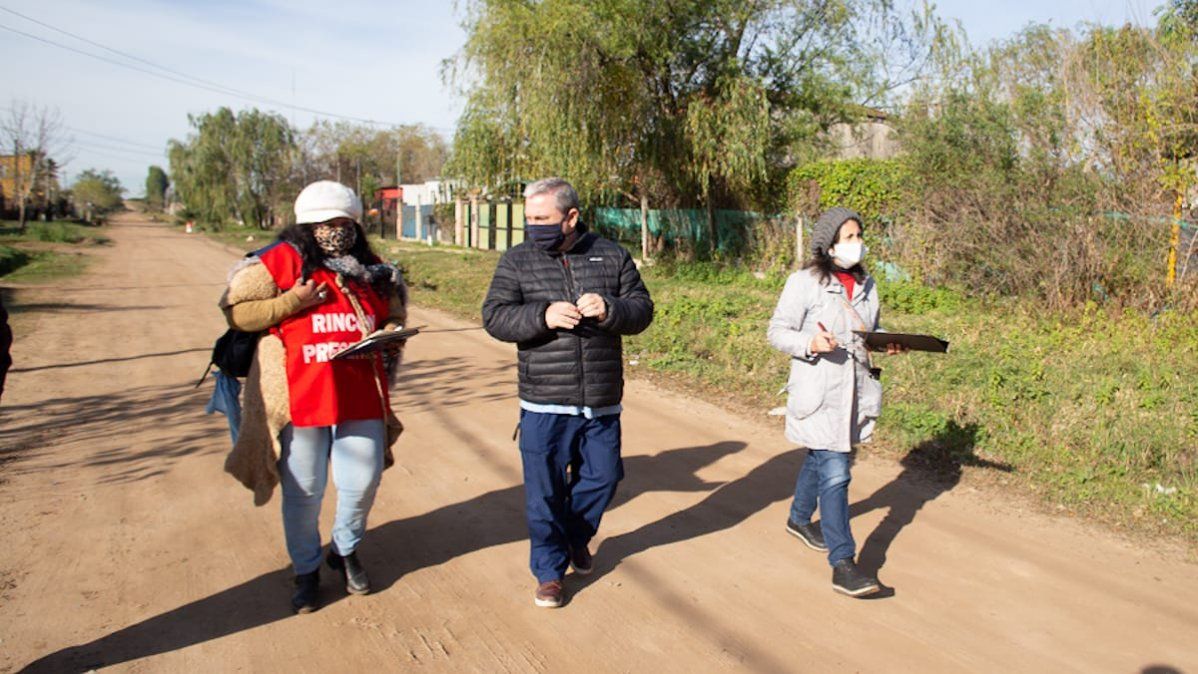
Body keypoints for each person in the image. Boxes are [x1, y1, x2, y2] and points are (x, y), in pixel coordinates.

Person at [219, 180, 409, 613]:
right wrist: (292, 302)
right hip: (300, 397)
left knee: (362, 481)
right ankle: (305, 570)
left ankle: (344, 549)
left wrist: (391, 331)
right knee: (304, 491)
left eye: (343, 222)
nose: (335, 230)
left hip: (359, 393)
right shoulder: (279, 260)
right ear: (306, 225)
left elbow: (393, 311)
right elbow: (236, 310)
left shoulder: (371, 266)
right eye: (325, 223)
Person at [482, 177, 654, 608]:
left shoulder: (611, 255)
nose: (533, 226)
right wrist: (542, 315)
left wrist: (610, 308)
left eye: (542, 218)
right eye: (529, 218)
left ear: (571, 217)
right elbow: (495, 317)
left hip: (600, 400)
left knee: (604, 478)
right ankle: (549, 573)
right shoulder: (517, 260)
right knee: (544, 496)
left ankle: (575, 537)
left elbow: (642, 309)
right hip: (543, 401)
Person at [767, 207, 906, 598]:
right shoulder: (804, 282)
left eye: (859, 236)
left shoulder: (867, 284)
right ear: (828, 245)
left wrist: (886, 341)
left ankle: (799, 519)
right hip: (819, 391)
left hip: (854, 392)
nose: (857, 243)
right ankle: (843, 562)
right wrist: (810, 342)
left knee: (821, 457)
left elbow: (869, 328)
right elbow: (777, 331)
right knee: (836, 472)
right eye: (849, 237)